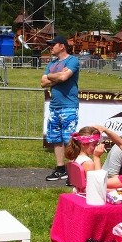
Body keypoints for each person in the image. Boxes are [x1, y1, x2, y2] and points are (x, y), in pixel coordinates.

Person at [41, 35, 80, 182]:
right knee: (56, 139)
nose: (51, 47)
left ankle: (73, 172)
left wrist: (52, 77)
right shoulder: (52, 63)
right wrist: (56, 75)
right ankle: (60, 169)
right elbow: (42, 82)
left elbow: (64, 78)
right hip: (54, 107)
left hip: (69, 106)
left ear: (62, 46)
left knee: (69, 140)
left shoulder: (72, 60)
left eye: (53, 44)